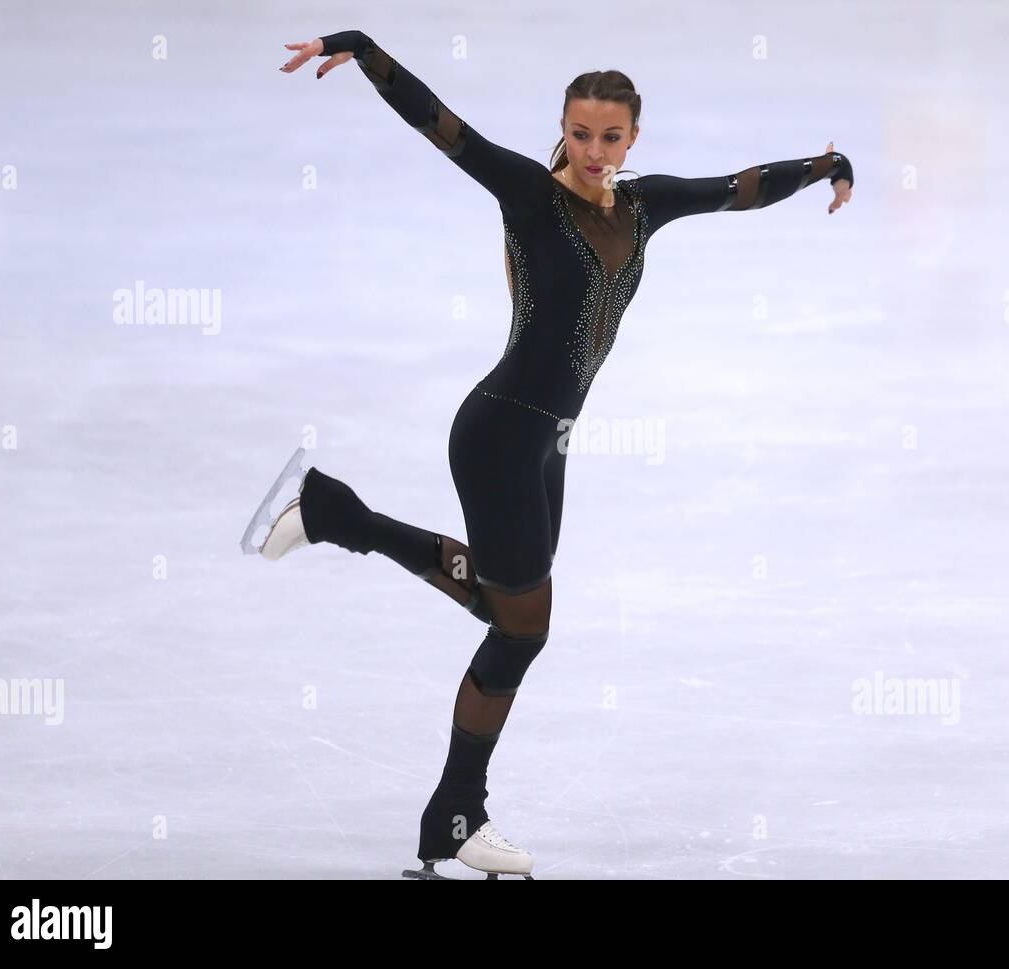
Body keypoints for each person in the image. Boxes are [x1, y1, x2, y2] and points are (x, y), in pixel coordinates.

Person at [247, 28, 854, 880]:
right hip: (498, 434)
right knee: (521, 628)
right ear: (561, 129)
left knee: (509, 612)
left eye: (611, 136)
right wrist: (364, 50)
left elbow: (739, 189)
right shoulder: (531, 195)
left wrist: (826, 165)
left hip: (548, 446)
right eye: (580, 133)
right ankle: (456, 811)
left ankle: (334, 512)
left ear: (633, 137)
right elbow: (443, 127)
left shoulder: (645, 205)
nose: (595, 151)